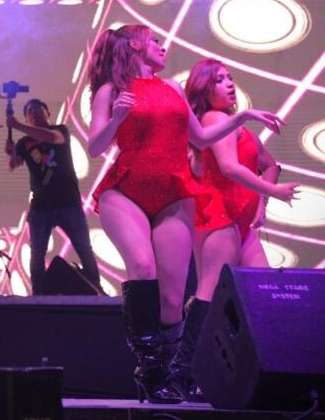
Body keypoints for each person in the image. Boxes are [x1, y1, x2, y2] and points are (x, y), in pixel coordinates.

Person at [85, 25, 282, 404]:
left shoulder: (172, 88)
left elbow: (201, 138)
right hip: (125, 189)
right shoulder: (112, 90)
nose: (162, 47)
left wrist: (243, 117)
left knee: (173, 299)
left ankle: (169, 375)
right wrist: (116, 119)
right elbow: (95, 147)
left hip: (173, 194)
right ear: (135, 45)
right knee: (142, 265)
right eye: (155, 41)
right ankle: (150, 373)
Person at [169, 59, 299, 400]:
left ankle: (263, 370)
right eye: (219, 80)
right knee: (210, 291)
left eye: (230, 78)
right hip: (219, 216)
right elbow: (228, 167)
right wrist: (272, 192)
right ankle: (182, 371)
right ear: (203, 89)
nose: (229, 84)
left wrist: (261, 202)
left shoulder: (238, 127)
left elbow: (269, 165)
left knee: (263, 291)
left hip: (240, 220)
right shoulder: (214, 119)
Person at [5, 98, 100, 294]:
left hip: (68, 202)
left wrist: (18, 126)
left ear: (47, 113)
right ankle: (38, 296)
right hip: (41, 206)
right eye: (29, 111)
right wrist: (11, 153)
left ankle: (96, 291)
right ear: (27, 118)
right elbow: (13, 165)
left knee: (84, 249)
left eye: (38, 108)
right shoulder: (24, 143)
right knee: (37, 255)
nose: (34, 112)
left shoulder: (59, 130)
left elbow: (51, 138)